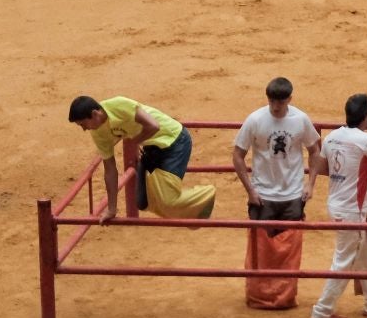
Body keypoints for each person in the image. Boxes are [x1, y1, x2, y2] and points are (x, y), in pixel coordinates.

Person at [309, 92, 367, 318]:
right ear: (366, 116)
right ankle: (322, 311)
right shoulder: (365, 140)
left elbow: (325, 167)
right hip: (353, 210)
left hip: (337, 204)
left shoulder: (332, 137)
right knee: (344, 260)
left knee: (363, 252)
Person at [68, 94, 204, 217]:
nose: (84, 129)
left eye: (83, 124)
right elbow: (110, 170)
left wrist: (134, 142)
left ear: (95, 114)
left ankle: (204, 199)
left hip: (175, 141)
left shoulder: (119, 104)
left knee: (167, 200)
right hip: (153, 148)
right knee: (142, 202)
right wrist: (111, 209)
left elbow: (153, 126)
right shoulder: (98, 133)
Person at [233, 77, 320, 226]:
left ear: (289, 99)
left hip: (293, 195)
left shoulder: (300, 119)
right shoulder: (255, 120)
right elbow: (237, 155)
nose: (275, 106)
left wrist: (310, 184)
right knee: (261, 246)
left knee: (290, 245)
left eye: (280, 102)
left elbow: (314, 150)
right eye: (272, 101)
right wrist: (251, 191)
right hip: (262, 195)